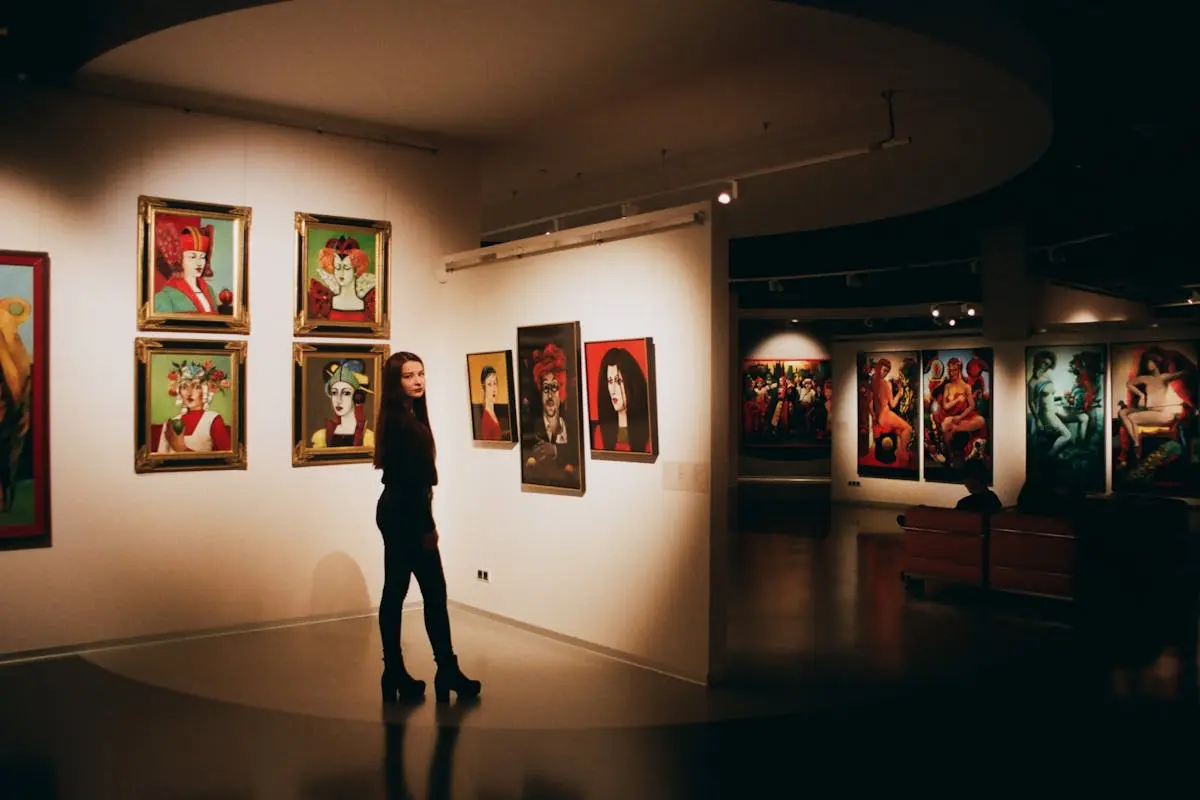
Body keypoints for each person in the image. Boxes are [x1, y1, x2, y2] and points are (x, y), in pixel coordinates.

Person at [374, 351, 481, 704]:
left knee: (397, 592)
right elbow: (413, 484)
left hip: (396, 510)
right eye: (408, 376)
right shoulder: (405, 424)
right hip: (407, 514)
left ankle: (396, 672)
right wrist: (427, 527)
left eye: (421, 374)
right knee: (432, 593)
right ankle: (444, 671)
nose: (418, 381)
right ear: (395, 382)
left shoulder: (400, 417)